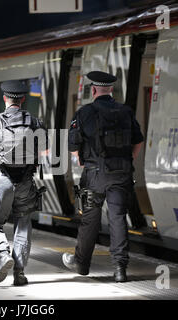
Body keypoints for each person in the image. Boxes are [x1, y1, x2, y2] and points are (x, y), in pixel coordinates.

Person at [63, 71, 144, 282]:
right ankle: (119, 268)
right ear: (111, 90)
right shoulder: (126, 112)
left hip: (94, 176)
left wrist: (82, 161)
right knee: (118, 218)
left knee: (90, 219)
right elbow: (138, 141)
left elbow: (73, 146)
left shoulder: (84, 113)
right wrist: (127, 160)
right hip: (121, 175)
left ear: (94, 89)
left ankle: (81, 263)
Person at [0, 80, 48, 286]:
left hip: (2, 181)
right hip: (26, 181)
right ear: (23, 99)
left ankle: (2, 253)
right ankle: (20, 273)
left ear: (5, 98)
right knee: (23, 225)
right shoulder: (35, 123)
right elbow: (45, 153)